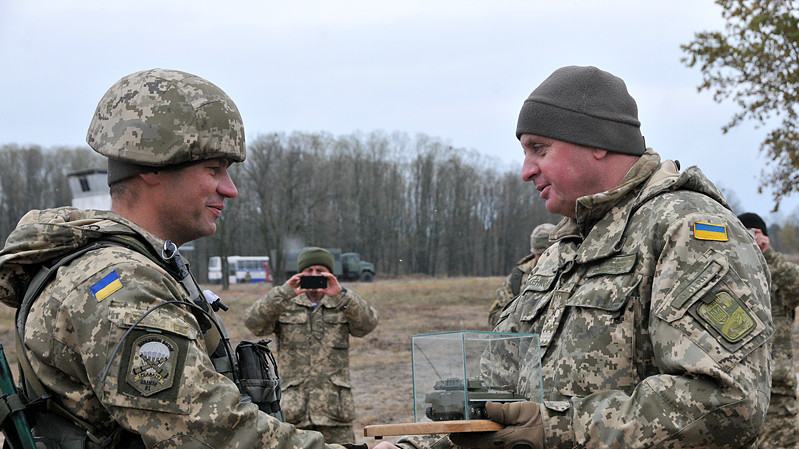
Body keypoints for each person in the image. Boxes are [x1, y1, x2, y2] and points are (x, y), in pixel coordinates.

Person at [378, 65, 773, 449]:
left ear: (597, 142)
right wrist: (414, 444)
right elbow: (496, 395)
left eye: (539, 149)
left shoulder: (686, 228)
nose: (525, 171)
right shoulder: (562, 249)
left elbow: (729, 402)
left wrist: (557, 429)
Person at [0, 69, 351, 449]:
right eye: (213, 170)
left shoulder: (133, 269)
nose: (230, 190)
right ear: (154, 168)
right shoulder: (119, 285)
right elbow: (210, 432)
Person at [244, 247, 379, 443]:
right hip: (294, 410)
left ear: (330, 273)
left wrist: (340, 294)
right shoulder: (285, 303)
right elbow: (253, 323)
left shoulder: (342, 303)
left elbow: (367, 324)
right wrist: (284, 292)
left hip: (335, 411)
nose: (314, 275)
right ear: (300, 273)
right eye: (309, 271)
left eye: (320, 270)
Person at [738, 212, 799, 449]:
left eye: (756, 235)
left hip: (778, 390)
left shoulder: (779, 272)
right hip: (741, 390)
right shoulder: (732, 271)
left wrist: (770, 256)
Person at [488, 223, 555, 328]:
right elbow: (494, 317)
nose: (541, 258)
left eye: (546, 253)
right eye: (538, 254)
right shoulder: (518, 277)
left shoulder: (572, 272)